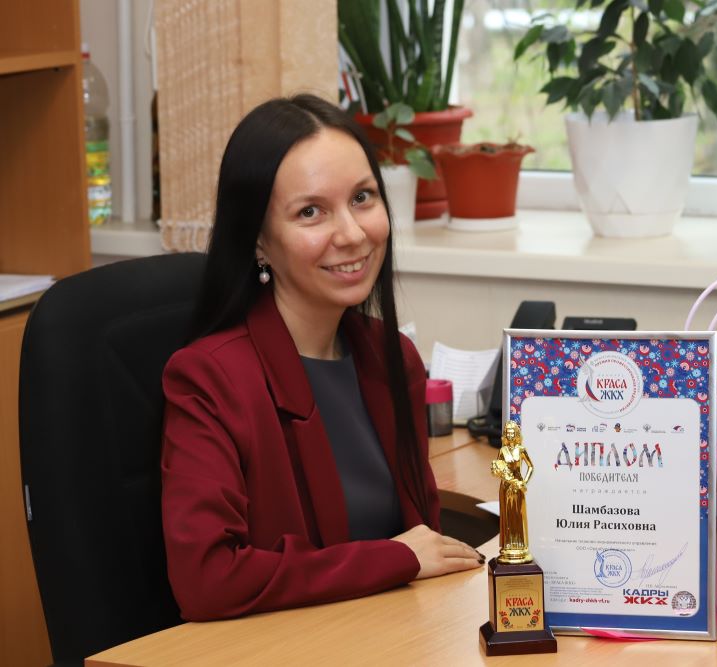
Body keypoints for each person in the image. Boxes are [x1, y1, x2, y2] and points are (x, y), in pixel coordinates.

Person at [160, 94, 483, 622]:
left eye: (362, 198)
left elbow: (425, 539)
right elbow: (207, 579)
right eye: (310, 211)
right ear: (259, 241)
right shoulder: (211, 379)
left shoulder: (391, 357)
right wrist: (393, 559)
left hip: (386, 638)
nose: (352, 234)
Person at [491, 421, 534, 564]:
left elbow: (530, 467)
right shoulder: (502, 450)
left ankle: (520, 545)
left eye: (512, 432)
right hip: (506, 486)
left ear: (516, 434)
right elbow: (497, 467)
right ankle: (508, 545)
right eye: (507, 432)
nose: (510, 435)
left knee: (518, 514)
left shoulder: (521, 450)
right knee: (507, 515)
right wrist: (499, 473)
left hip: (518, 486)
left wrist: (524, 482)